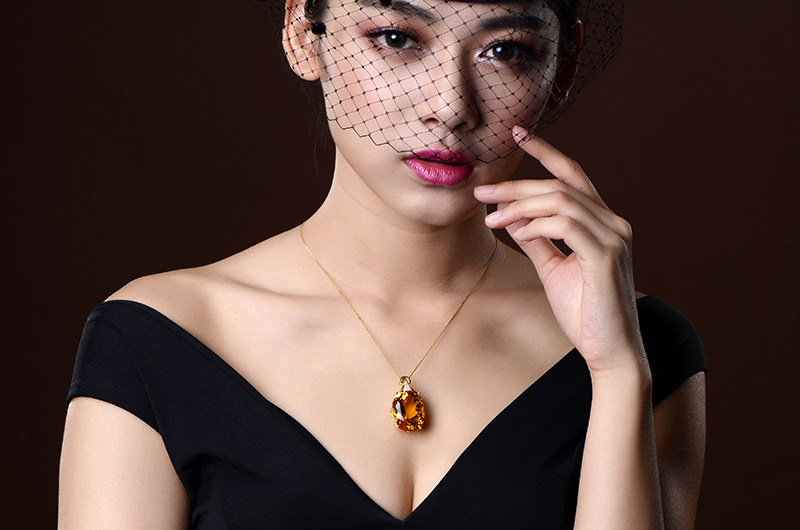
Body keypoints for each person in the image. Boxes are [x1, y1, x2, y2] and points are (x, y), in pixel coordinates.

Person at [58, 0, 707, 528]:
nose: (449, 106)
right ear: (303, 35)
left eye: (506, 50)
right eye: (397, 38)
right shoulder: (155, 343)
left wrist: (616, 373)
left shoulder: (639, 347)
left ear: (561, 68)